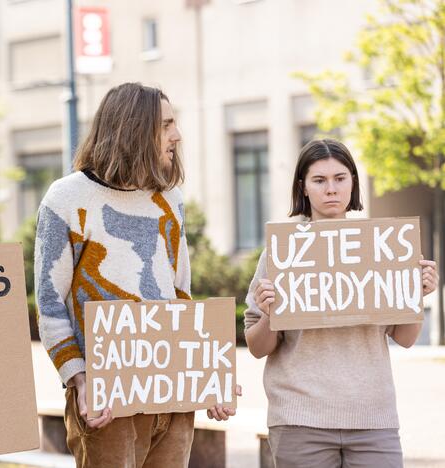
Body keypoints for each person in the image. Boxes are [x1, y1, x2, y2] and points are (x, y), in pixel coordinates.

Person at [34, 82, 238, 468]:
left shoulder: (170, 199)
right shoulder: (66, 199)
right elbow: (49, 303)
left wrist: (208, 377)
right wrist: (79, 379)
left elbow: (180, 294)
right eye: (166, 124)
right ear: (132, 129)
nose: (176, 135)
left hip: (171, 395)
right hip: (106, 399)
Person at [245, 138, 438, 468]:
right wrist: (268, 314)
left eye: (340, 178)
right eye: (319, 181)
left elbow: (405, 339)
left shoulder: (385, 248)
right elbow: (257, 346)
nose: (330, 189)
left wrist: (414, 296)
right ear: (303, 187)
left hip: (373, 419)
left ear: (353, 182)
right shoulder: (281, 252)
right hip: (300, 418)